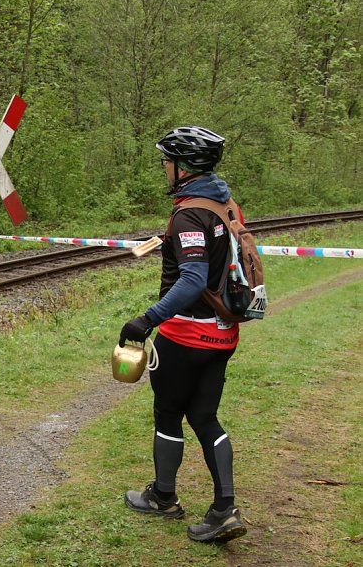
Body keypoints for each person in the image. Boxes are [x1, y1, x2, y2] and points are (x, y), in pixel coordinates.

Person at [119, 126, 247, 543]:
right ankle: (225, 509)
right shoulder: (225, 204)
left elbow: (192, 279)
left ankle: (163, 496)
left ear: (183, 167)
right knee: (205, 417)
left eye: (166, 162)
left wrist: (146, 319)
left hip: (186, 335)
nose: (164, 169)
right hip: (224, 333)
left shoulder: (190, 214)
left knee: (169, 413)